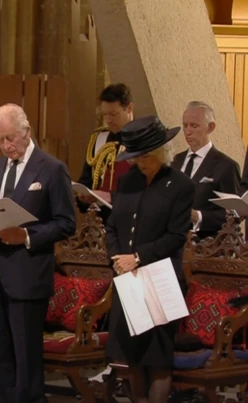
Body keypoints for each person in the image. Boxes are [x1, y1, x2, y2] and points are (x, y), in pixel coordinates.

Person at [0, 104, 76, 403]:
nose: (6, 146)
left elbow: (66, 223)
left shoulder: (51, 169)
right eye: (0, 140)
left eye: (10, 138)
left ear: (27, 131)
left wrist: (26, 235)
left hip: (27, 275)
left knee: (26, 357)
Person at [106, 116, 195, 403]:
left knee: (156, 358)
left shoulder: (180, 185)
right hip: (127, 280)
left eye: (145, 157)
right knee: (132, 356)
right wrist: (117, 259)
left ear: (161, 151)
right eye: (136, 158)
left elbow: (175, 236)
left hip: (159, 279)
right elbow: (112, 226)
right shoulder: (127, 180)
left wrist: (137, 257)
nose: (140, 163)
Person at [171, 101, 241, 240]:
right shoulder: (174, 162)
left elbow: (235, 215)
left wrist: (198, 216)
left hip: (206, 248)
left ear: (210, 127)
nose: (188, 131)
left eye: (194, 126)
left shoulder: (226, 166)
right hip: (170, 246)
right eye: (185, 125)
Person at [77, 83, 134, 221]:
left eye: (113, 114)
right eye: (105, 114)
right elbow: (87, 178)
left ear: (129, 108)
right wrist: (83, 196)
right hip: (100, 220)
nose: (108, 120)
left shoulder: (142, 139)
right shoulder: (99, 139)